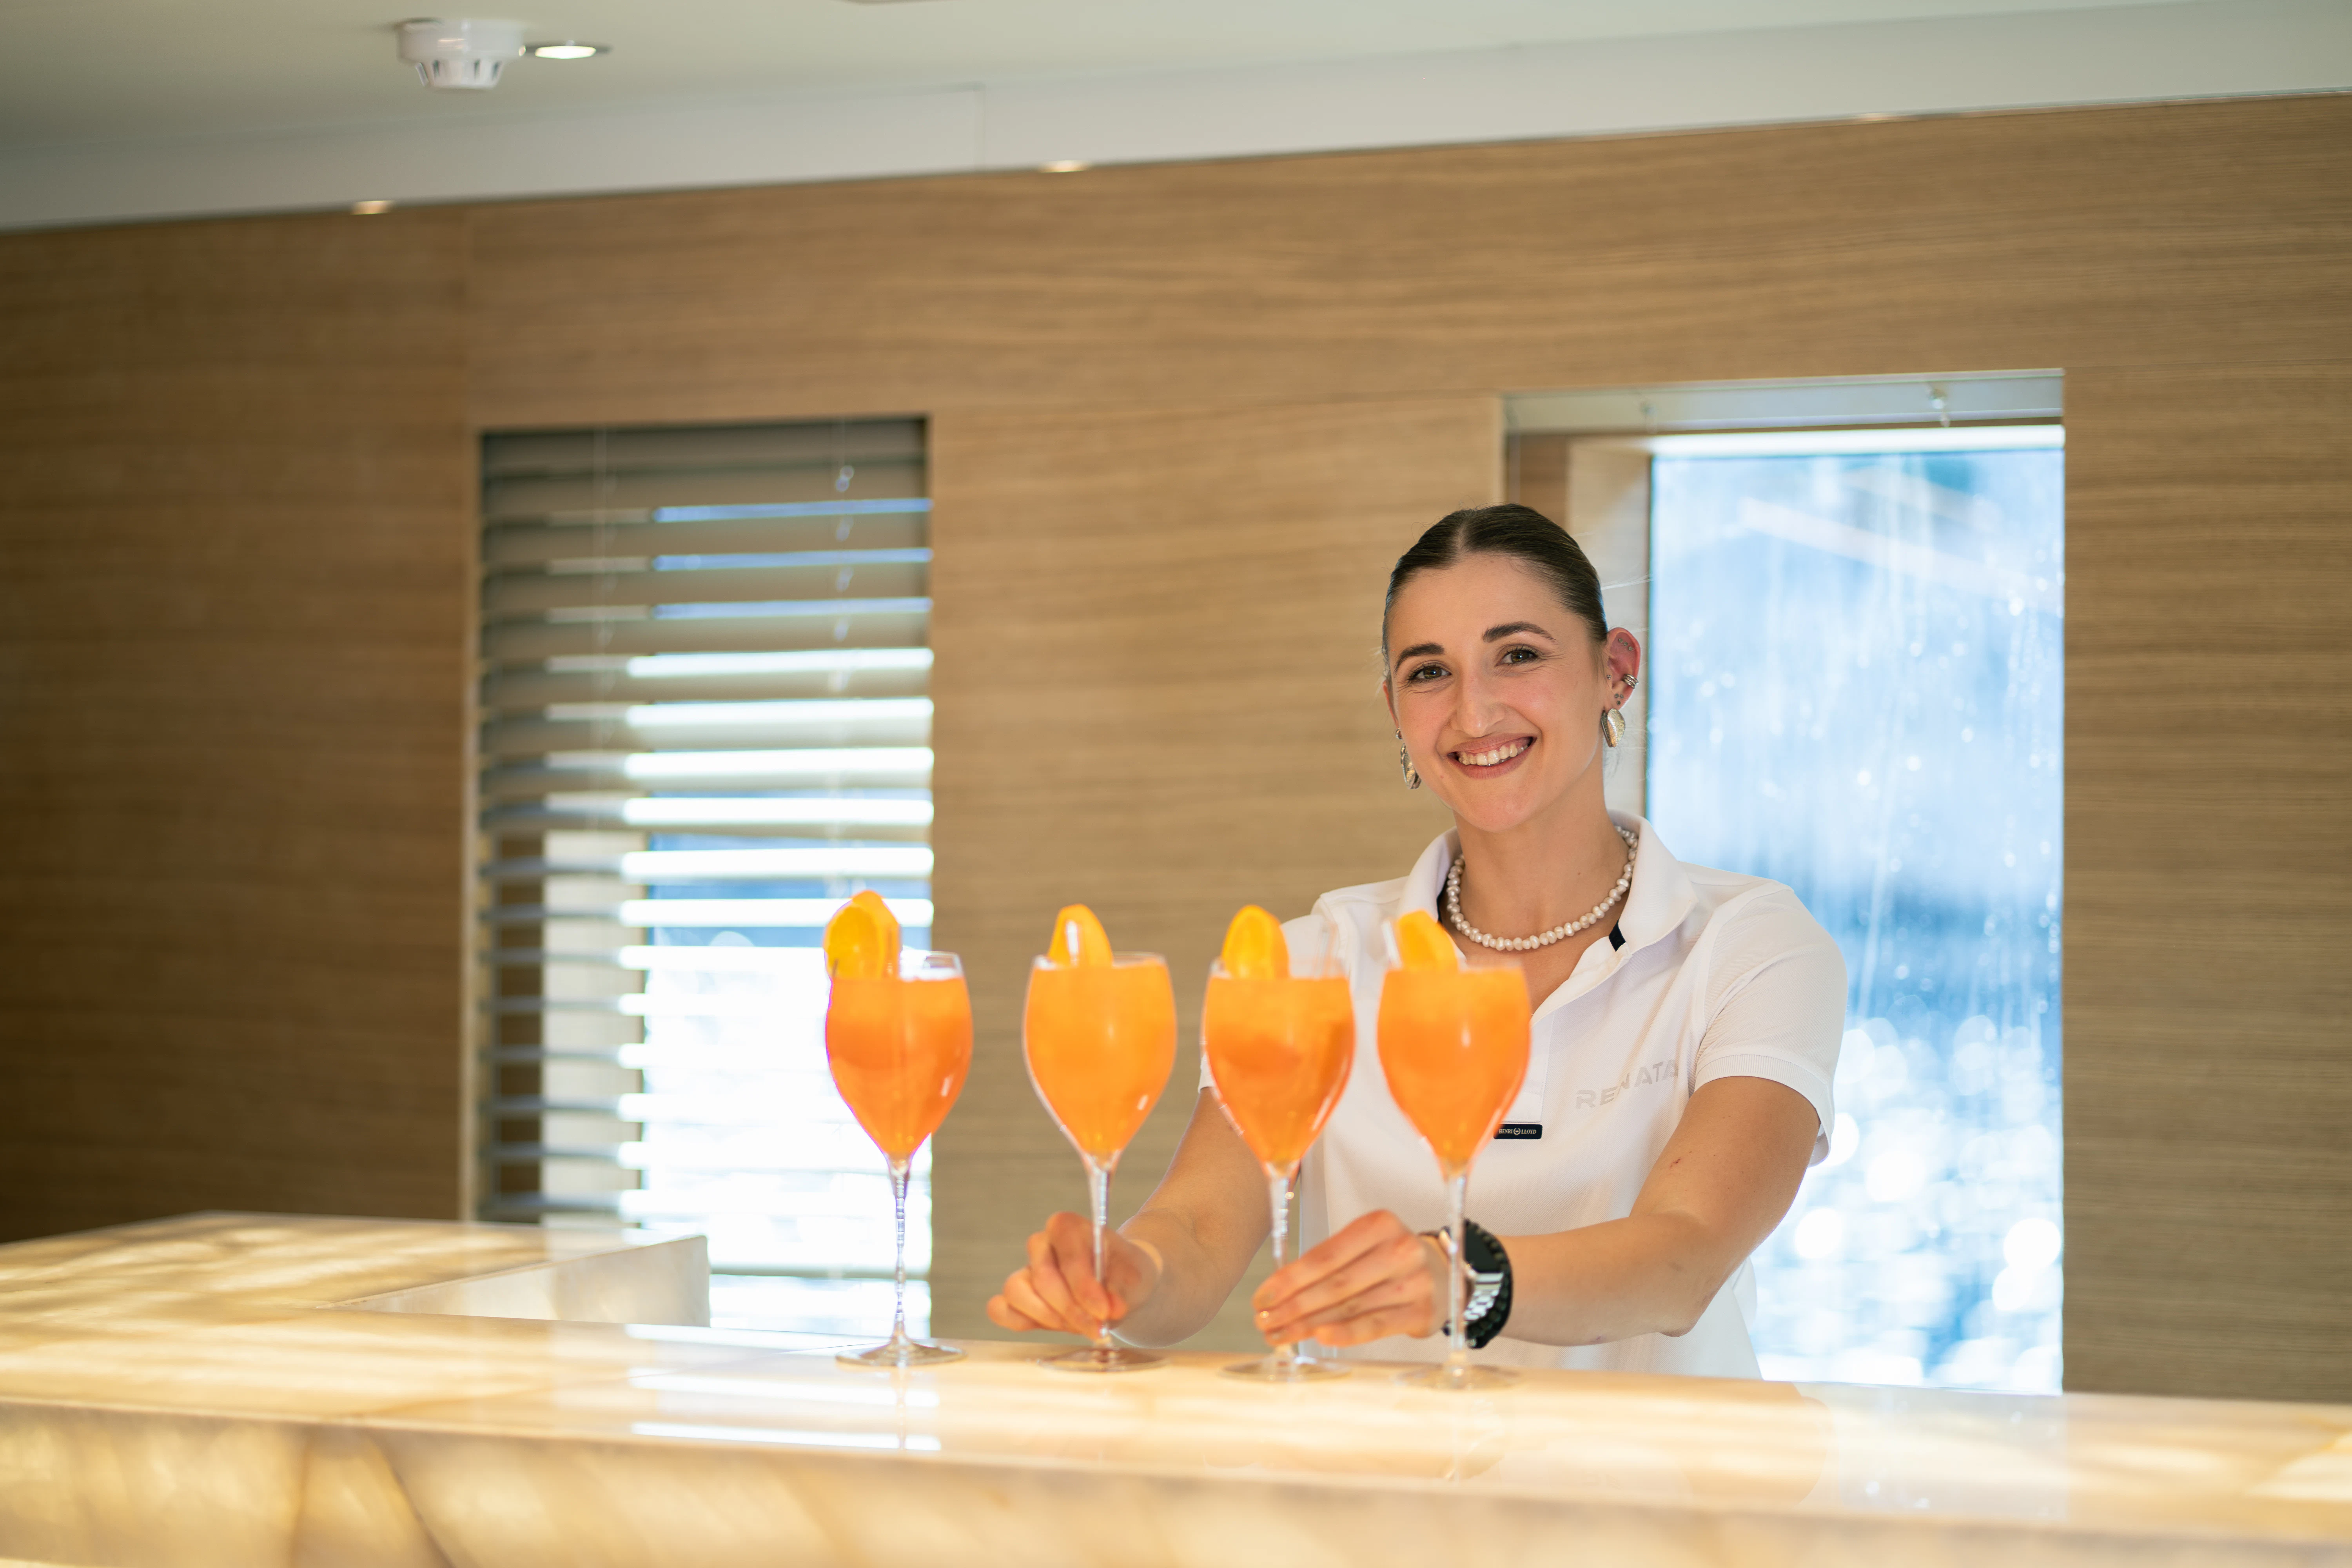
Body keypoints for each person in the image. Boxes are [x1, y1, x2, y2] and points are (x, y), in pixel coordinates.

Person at [985, 504, 1846, 1376]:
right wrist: (1129, 1276)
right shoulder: (1309, 962)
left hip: (1655, 1466)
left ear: (1614, 671)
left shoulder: (1750, 946)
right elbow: (1199, 1231)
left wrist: (1460, 1279)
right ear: (1397, 712)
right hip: (1378, 1465)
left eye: (1519, 655)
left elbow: (1685, 1257)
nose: (1475, 711)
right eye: (1429, 672)